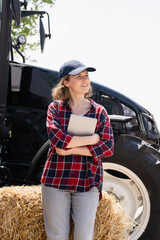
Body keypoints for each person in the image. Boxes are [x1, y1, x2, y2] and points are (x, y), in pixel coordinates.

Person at [41, 60, 114, 240]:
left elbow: (108, 147)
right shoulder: (55, 108)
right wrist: (91, 139)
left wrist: (70, 150)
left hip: (88, 181)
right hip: (56, 179)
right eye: (79, 77)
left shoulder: (99, 112)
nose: (85, 80)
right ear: (66, 82)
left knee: (84, 237)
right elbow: (57, 140)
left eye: (86, 76)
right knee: (57, 236)